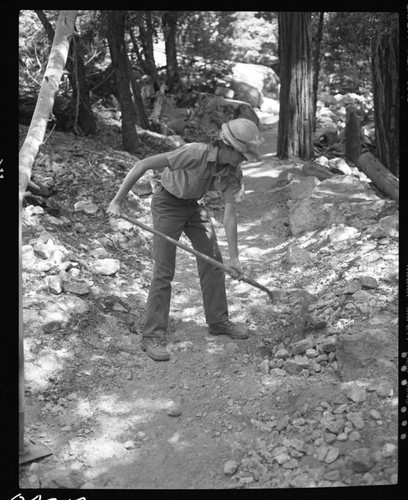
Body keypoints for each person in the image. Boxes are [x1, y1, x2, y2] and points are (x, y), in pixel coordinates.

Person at [107, 118, 262, 361]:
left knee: (213, 261)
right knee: (164, 269)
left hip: (193, 206)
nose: (244, 160)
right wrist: (117, 201)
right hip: (167, 203)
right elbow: (143, 165)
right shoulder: (194, 153)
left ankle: (218, 321)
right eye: (242, 154)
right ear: (228, 146)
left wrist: (235, 259)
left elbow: (230, 215)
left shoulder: (233, 172)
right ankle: (152, 335)